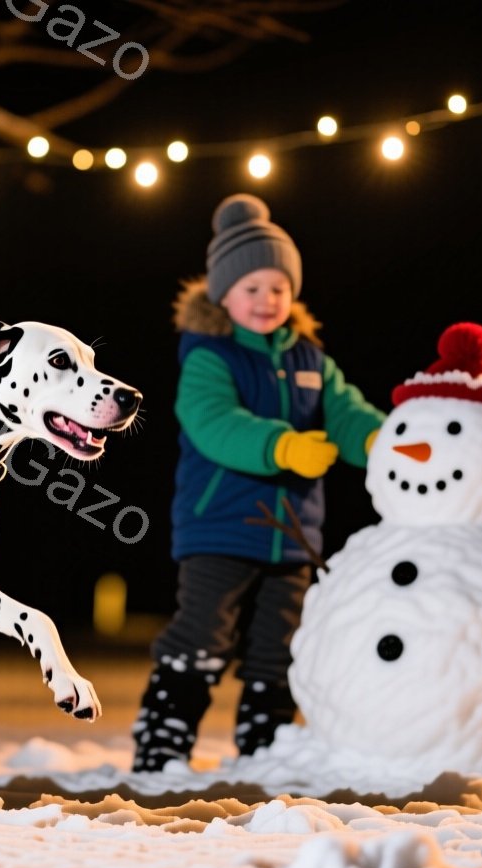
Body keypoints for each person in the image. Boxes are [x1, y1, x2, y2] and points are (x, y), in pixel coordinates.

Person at [132, 193, 385, 773]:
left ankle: (265, 746)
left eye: (278, 288)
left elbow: (346, 413)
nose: (266, 300)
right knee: (203, 634)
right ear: (223, 292)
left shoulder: (309, 358)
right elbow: (215, 423)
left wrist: (384, 443)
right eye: (252, 288)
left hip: (294, 533)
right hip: (219, 526)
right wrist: (283, 446)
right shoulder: (209, 357)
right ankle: (163, 738)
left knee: (281, 644)